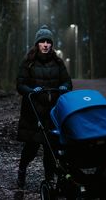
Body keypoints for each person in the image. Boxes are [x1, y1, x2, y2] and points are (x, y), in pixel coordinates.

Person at [16, 25, 73, 188]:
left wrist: (65, 88)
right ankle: (22, 170)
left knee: (51, 148)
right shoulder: (28, 62)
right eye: (43, 41)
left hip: (53, 112)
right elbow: (20, 84)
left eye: (49, 41)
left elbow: (67, 81)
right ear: (37, 44)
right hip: (33, 111)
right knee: (31, 147)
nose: (46, 44)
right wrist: (31, 91)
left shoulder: (58, 62)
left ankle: (49, 179)